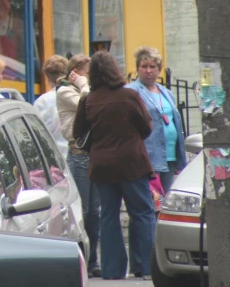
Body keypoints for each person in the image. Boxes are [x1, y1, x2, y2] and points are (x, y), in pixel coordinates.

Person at [73, 51, 155, 281]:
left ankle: (112, 270)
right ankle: (148, 267)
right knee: (143, 214)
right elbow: (147, 127)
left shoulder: (88, 101)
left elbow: (78, 132)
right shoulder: (129, 96)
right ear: (114, 70)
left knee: (108, 216)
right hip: (132, 164)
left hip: (102, 166)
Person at [56, 54, 99, 278]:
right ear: (74, 73)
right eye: (85, 73)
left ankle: (94, 261)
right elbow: (88, 106)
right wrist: (83, 85)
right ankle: (82, 259)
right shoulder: (65, 92)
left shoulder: (87, 90)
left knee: (95, 211)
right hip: (79, 153)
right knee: (83, 210)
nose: (88, 78)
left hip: (95, 152)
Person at [125, 47, 187, 195]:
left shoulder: (166, 92)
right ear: (137, 69)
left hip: (169, 157)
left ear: (159, 69)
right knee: (150, 202)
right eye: (144, 67)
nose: (148, 71)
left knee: (164, 201)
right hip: (148, 158)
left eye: (152, 67)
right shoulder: (131, 91)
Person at [33, 55, 69, 158]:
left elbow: (38, 134)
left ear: (47, 77)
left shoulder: (42, 102)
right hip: (79, 160)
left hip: (55, 161)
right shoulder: (78, 95)